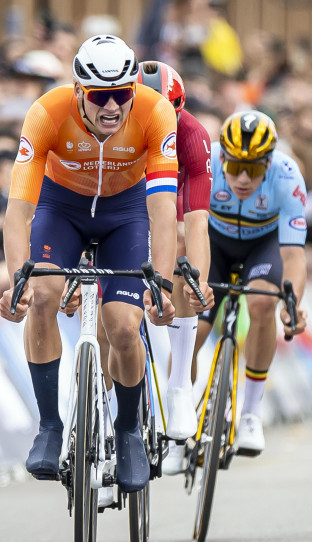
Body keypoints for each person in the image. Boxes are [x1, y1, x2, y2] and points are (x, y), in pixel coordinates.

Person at [0, 35, 178, 498]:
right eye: (102, 96)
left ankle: (128, 431)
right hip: (63, 210)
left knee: (123, 325)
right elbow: (18, 210)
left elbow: (162, 210)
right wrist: (17, 277)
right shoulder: (47, 112)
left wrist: (159, 281)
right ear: (79, 90)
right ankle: (51, 426)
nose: (114, 106)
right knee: (41, 295)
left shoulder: (155, 113)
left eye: (123, 94)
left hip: (127, 213)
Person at [188, 109, 308, 457]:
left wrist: (293, 304)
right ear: (221, 157)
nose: (242, 178)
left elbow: (294, 255)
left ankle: (251, 414)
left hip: (262, 247)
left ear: (269, 164)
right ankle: (179, 412)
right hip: (214, 243)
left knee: (263, 303)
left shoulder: (287, 177)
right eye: (234, 167)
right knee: (192, 330)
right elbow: (186, 230)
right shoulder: (204, 164)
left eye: (254, 169)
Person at [135, 60, 214, 447]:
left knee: (183, 252)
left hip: (172, 207)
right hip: (128, 206)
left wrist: (197, 278)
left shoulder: (193, 135)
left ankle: (179, 384)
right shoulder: (112, 123)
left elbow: (197, 221)